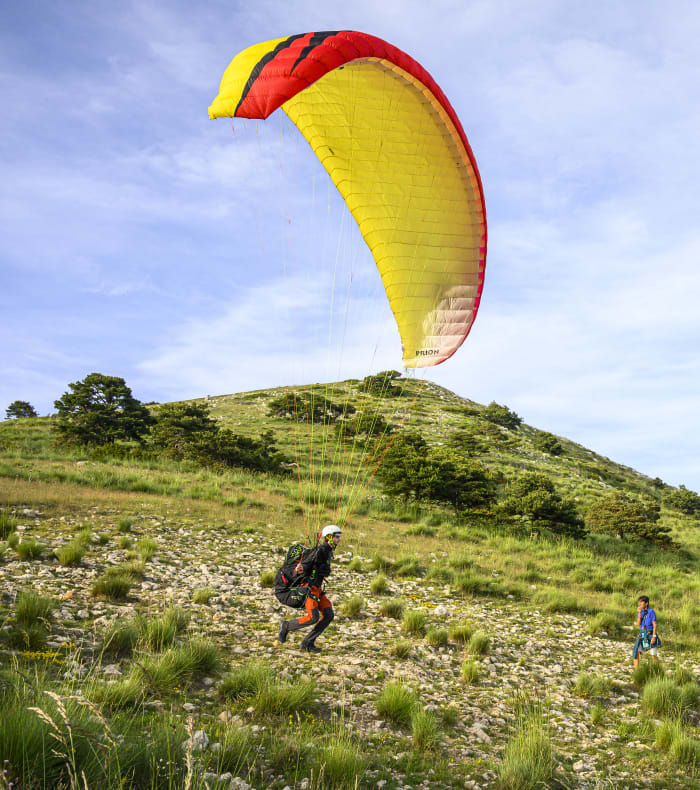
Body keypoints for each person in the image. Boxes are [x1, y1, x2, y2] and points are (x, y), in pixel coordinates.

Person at [278, 524, 342, 653]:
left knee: (328, 614)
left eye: (339, 536)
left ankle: (307, 643)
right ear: (328, 537)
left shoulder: (328, 551)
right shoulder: (320, 550)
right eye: (336, 536)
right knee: (313, 617)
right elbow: (307, 564)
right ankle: (286, 626)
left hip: (317, 589)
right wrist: (300, 569)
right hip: (309, 587)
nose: (339, 539)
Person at [633, 595, 661, 669]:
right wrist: (639, 614)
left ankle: (657, 669)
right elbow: (638, 624)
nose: (640, 604)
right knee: (636, 651)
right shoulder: (640, 612)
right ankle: (637, 671)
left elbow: (655, 625)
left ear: (646, 603)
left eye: (641, 602)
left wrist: (654, 637)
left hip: (650, 634)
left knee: (653, 655)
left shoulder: (651, 612)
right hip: (642, 634)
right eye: (639, 602)